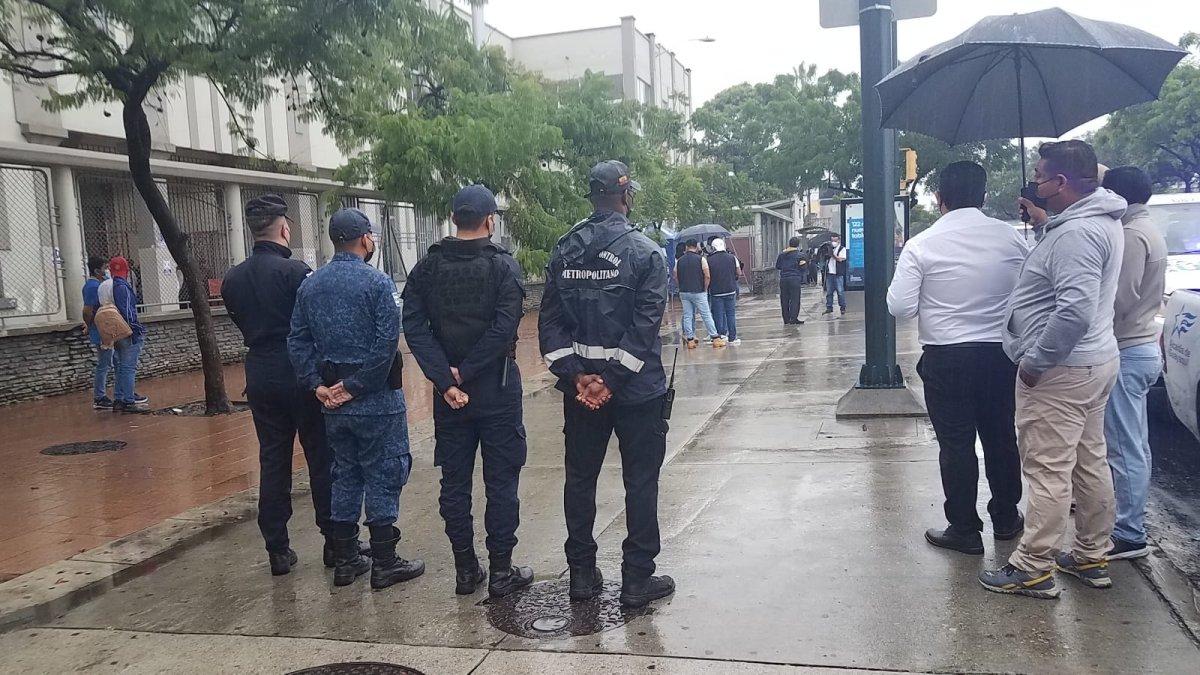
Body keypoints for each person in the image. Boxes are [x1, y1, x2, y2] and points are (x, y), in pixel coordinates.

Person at [980, 140, 1126, 599]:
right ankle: (1091, 555)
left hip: (1059, 373)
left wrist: (1034, 363)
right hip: (1093, 363)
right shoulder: (1095, 223)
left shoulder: (1077, 235)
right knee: (1089, 462)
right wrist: (1046, 225)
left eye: (1041, 177)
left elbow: (1074, 310)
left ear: (1061, 183)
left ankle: (1033, 566)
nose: (1036, 183)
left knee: (1048, 470)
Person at [539, 159, 675, 609]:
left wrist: (580, 378)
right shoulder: (646, 253)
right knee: (640, 482)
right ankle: (636, 581)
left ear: (591, 197)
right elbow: (644, 328)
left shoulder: (563, 250)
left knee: (580, 479)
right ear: (626, 196)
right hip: (637, 393)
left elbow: (550, 326)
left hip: (582, 397)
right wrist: (610, 382)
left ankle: (581, 573)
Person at [887, 161, 1029, 556]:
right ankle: (1006, 517)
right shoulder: (1012, 239)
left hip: (946, 357)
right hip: (1000, 355)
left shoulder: (923, 244)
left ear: (939, 198)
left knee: (956, 444)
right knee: (1001, 437)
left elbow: (899, 306)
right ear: (983, 196)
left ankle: (964, 528)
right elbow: (1031, 291)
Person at [402, 184, 534, 598]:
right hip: (494, 388)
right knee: (501, 482)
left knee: (454, 483)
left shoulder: (427, 267)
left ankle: (465, 569)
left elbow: (414, 327)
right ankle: (500, 571)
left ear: (454, 220)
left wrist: (444, 379)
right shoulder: (503, 267)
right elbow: (503, 328)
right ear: (490, 221)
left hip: (450, 399)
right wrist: (464, 373)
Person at [288, 207, 425, 590]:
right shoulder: (378, 283)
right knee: (384, 472)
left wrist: (316, 383)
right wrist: (358, 385)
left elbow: (296, 339)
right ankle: (385, 560)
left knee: (344, 475)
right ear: (366, 238)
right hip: (377, 402)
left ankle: (346, 560)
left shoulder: (311, 284)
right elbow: (386, 344)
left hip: (333, 403)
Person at [222, 194, 345, 577]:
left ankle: (277, 548)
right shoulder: (296, 273)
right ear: (285, 228)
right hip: (299, 371)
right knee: (320, 457)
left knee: (272, 460)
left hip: (259, 372)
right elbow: (317, 324)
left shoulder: (232, 279)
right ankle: (334, 543)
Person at [1099, 166, 1167, 562]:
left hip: (1127, 347)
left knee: (1124, 447)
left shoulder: (1130, 236)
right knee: (1132, 442)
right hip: (1140, 346)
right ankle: (1128, 524)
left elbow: (1118, 300)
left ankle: (1129, 532)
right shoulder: (1146, 229)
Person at [107, 256, 149, 413]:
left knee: (119, 366)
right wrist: (136, 329)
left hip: (114, 331)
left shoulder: (106, 286)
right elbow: (128, 311)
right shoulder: (122, 287)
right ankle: (129, 400)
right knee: (128, 367)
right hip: (126, 331)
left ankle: (119, 398)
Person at [675, 241, 723, 348]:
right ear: (696, 247)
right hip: (699, 291)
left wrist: (681, 286)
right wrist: (705, 288)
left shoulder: (679, 261)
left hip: (684, 292)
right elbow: (707, 276)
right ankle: (715, 338)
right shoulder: (701, 259)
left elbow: (676, 276)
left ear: (687, 247)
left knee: (688, 315)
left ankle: (690, 339)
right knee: (706, 315)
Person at [82, 256, 114, 410]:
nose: (107, 270)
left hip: (102, 328)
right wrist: (89, 325)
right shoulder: (92, 287)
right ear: (96, 270)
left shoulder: (98, 285)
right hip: (100, 329)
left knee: (110, 361)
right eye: (105, 267)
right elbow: (87, 310)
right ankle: (99, 396)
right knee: (104, 363)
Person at [707, 238, 743, 344]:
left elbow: (707, 274)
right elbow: (739, 272)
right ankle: (732, 337)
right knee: (730, 314)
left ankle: (720, 335)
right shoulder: (732, 257)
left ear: (713, 247)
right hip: (730, 290)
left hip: (716, 291)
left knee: (718, 314)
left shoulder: (709, 259)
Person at [775, 237, 808, 325]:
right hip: (795, 279)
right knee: (795, 299)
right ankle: (793, 319)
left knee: (784, 299)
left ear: (789, 244)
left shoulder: (782, 254)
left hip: (783, 279)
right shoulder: (800, 255)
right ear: (798, 245)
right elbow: (803, 267)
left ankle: (786, 320)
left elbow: (778, 266)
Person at [824, 234, 848, 316]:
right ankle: (829, 307)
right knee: (829, 292)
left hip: (838, 274)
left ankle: (842, 307)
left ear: (838, 241)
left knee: (840, 291)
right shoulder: (828, 249)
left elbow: (840, 259)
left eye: (835, 240)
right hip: (830, 273)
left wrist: (832, 254)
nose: (833, 242)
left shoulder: (842, 249)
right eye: (832, 240)